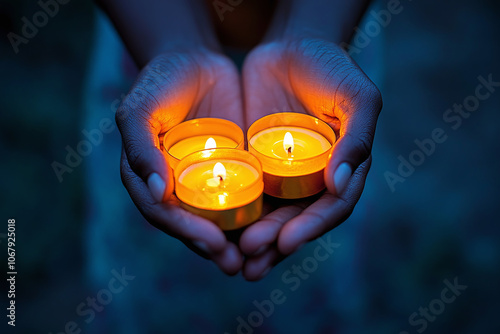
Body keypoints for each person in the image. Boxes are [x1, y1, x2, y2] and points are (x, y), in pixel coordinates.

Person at [98, 0, 382, 281]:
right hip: (150, 36)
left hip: (320, 63)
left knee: (318, 275)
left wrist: (313, 30)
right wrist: (174, 43)